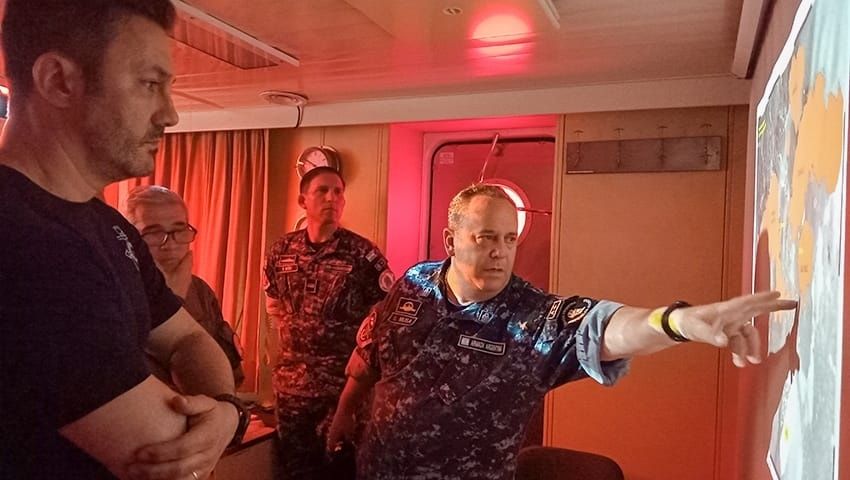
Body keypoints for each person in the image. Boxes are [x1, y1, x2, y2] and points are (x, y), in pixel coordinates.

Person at [327, 184, 797, 480]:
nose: (500, 252)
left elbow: (602, 326)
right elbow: (371, 353)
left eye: (509, 239)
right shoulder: (414, 283)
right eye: (486, 238)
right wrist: (345, 411)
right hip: (376, 469)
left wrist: (674, 322)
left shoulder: (530, 318)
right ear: (451, 241)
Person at [0, 1, 248, 479]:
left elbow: (187, 339)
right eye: (149, 84)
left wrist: (223, 408)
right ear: (58, 80)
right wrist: (227, 417)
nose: (170, 114)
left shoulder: (110, 228)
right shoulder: (22, 240)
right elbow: (166, 456)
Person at [264, 166, 395, 479]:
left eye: (338, 192)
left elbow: (386, 315)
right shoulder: (282, 250)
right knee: (296, 471)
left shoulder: (362, 254)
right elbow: (274, 306)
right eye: (322, 191)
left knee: (343, 470)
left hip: (342, 390)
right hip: (292, 388)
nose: (332, 198)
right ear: (303, 201)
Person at [124, 185, 246, 387]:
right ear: (131, 239)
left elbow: (228, 367)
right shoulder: (119, 292)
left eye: (179, 231)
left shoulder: (200, 291)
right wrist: (172, 298)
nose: (170, 244)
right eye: (154, 233)